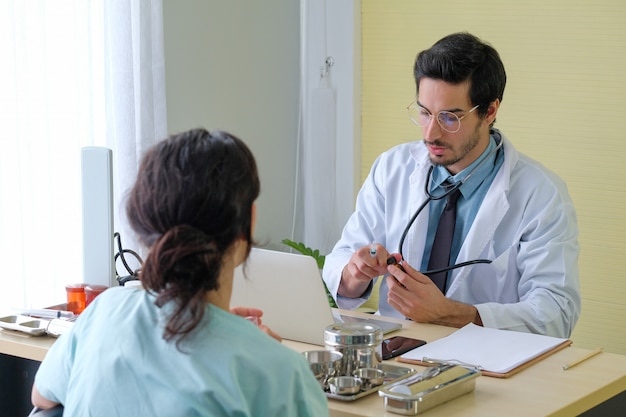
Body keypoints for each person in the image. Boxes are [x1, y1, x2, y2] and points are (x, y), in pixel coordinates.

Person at [32, 129, 329, 416]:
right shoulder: (279, 373)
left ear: (145, 227)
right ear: (248, 223)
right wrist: (257, 353)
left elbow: (42, 399)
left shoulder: (102, 312)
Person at [322, 32, 580, 339]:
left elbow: (556, 312)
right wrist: (355, 274)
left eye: (448, 118)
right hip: (396, 352)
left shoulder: (540, 194)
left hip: (487, 362)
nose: (430, 133)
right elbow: (343, 261)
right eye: (424, 112)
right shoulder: (391, 168)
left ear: (490, 111)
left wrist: (451, 314)